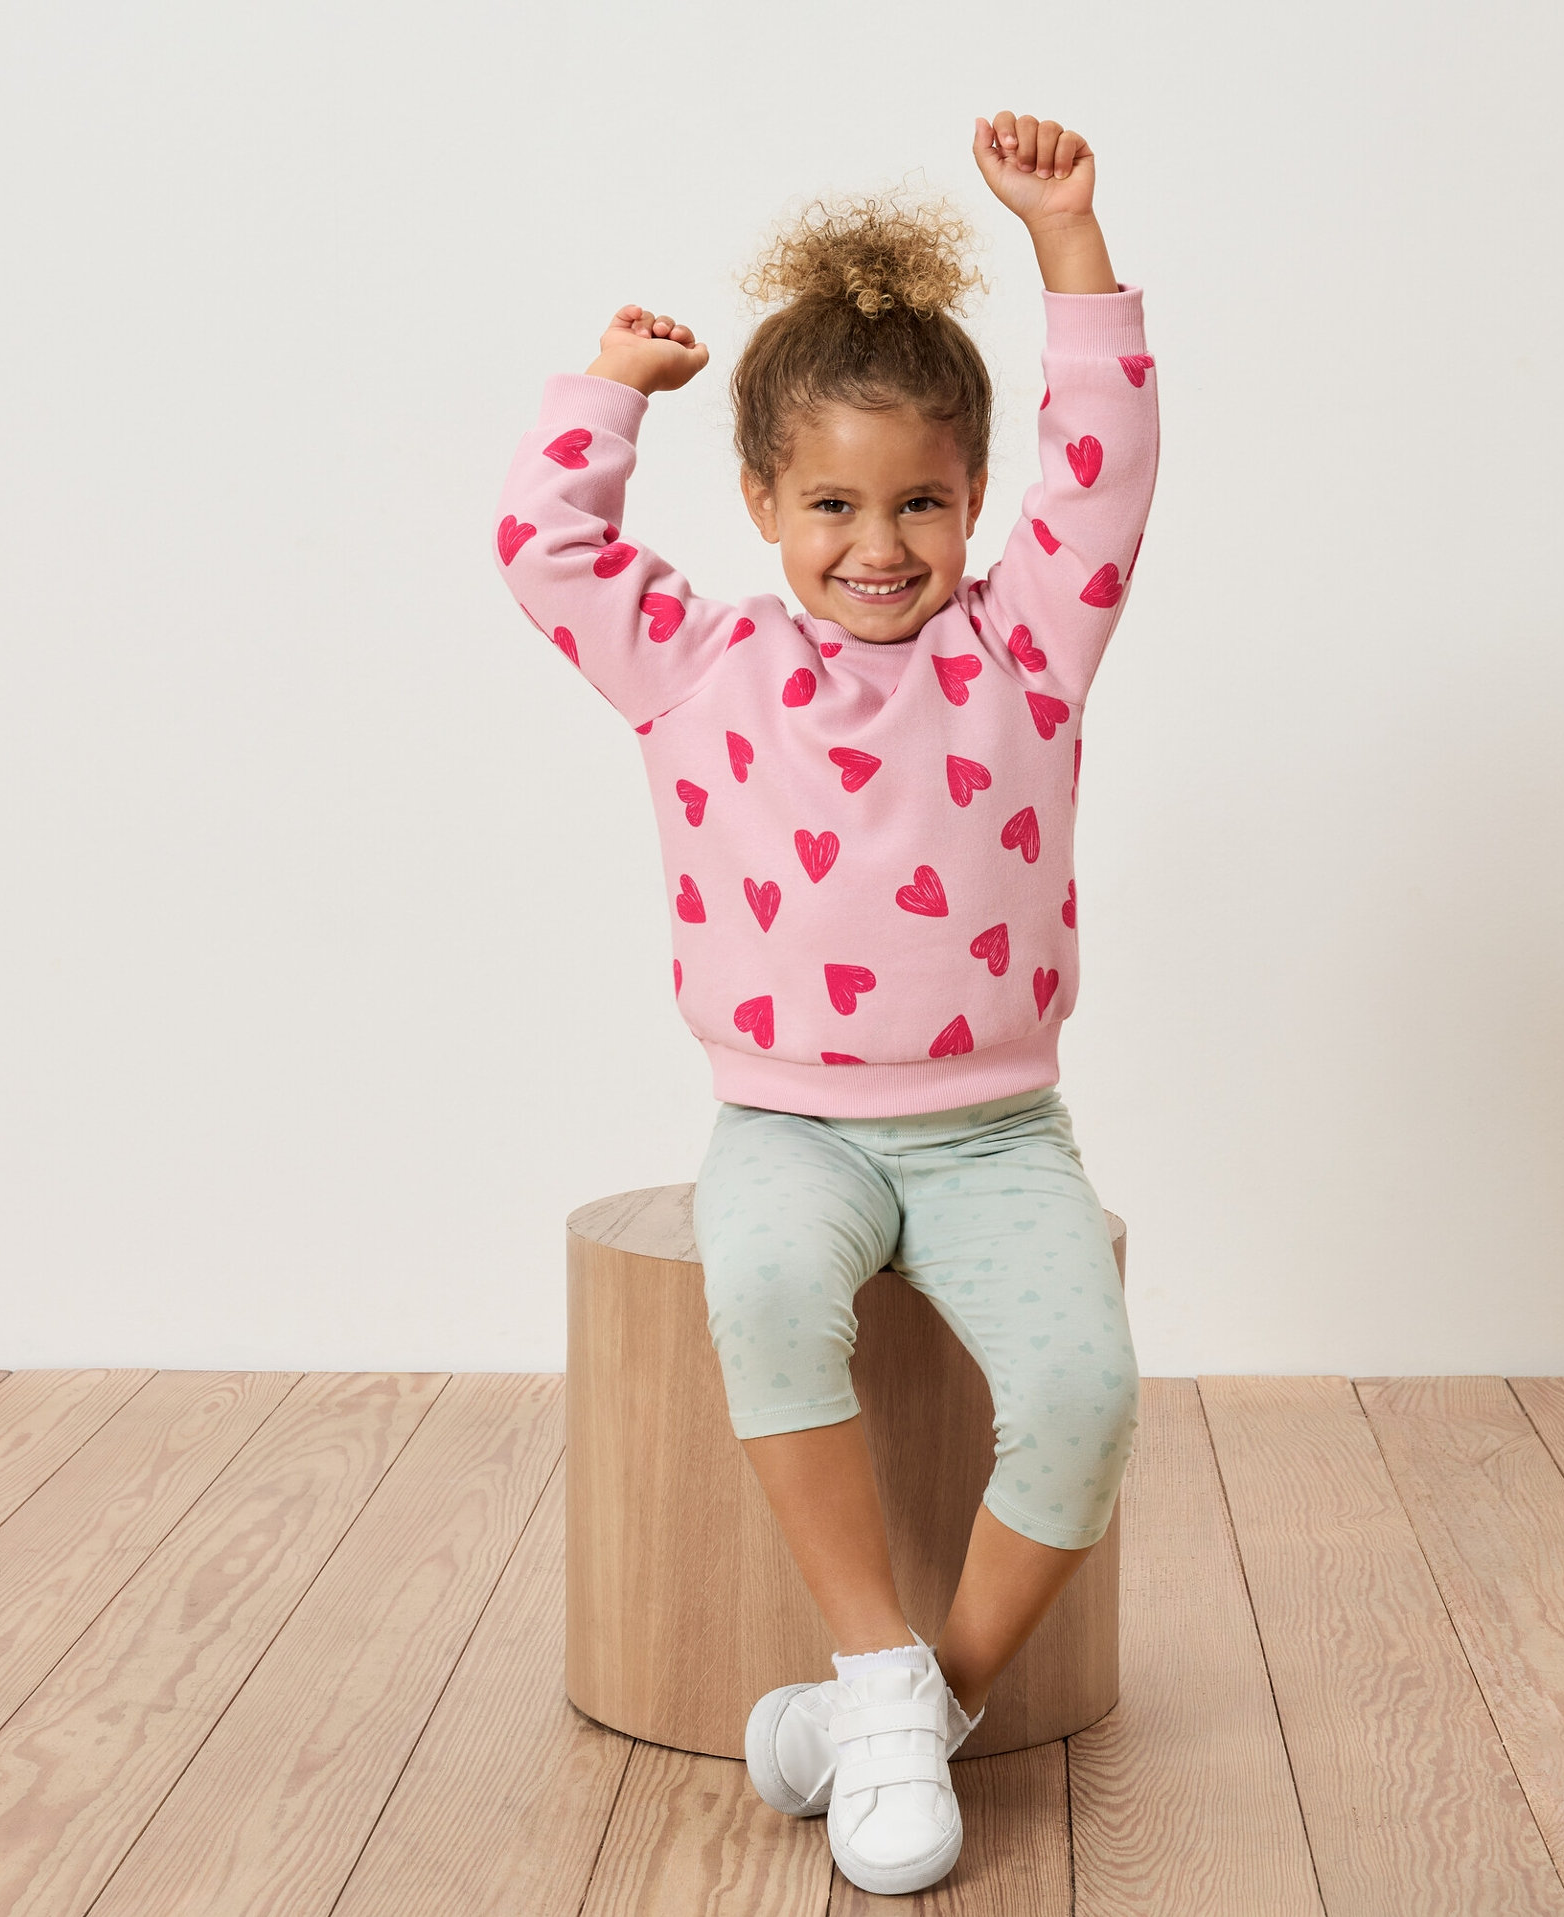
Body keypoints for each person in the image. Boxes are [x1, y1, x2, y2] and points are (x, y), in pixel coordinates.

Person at [494, 109, 1156, 1896]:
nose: (881, 543)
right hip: (785, 1123)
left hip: (996, 1133)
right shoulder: (696, 665)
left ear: (975, 494)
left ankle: (916, 1706)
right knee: (769, 1288)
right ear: (762, 504)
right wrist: (609, 389)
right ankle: (872, 1659)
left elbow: (1105, 462)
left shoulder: (1029, 646)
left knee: (1088, 1392)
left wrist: (1067, 238)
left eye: (922, 500)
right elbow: (544, 550)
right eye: (833, 504)